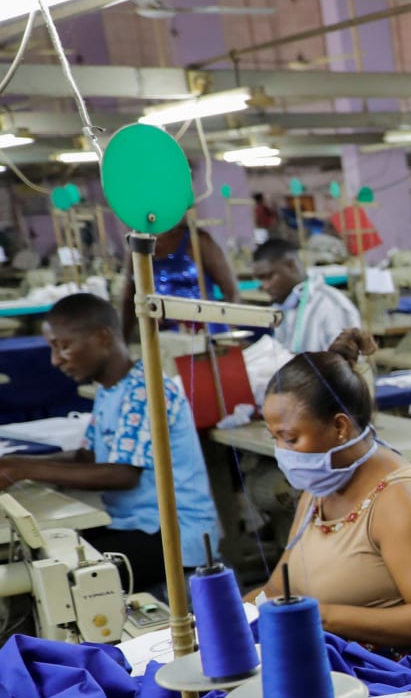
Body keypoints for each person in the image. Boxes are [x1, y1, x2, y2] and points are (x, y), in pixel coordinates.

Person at [0, 293, 220, 591]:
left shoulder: (147, 389)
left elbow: (122, 474)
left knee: (53, 578)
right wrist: (13, 465)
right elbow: (87, 457)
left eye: (64, 346)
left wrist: (22, 469)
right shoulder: (110, 390)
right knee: (36, 553)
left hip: (175, 537)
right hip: (134, 525)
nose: (55, 360)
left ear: (103, 337)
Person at [250, 353, 411, 651]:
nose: (281, 452)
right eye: (274, 437)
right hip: (333, 668)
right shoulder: (319, 489)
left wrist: (320, 617)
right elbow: (277, 591)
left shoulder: (403, 501)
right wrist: (229, 616)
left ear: (340, 427)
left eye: (290, 438)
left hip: (400, 681)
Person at [117, 223, 241, 341]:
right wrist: (123, 341)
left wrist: (225, 335)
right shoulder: (138, 248)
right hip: (163, 336)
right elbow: (128, 300)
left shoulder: (197, 241)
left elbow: (232, 292)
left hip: (204, 332)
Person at [252, 238, 370, 355]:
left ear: (291, 266)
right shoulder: (284, 307)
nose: (264, 286)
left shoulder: (331, 304)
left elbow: (346, 365)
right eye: (260, 279)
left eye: (268, 277)